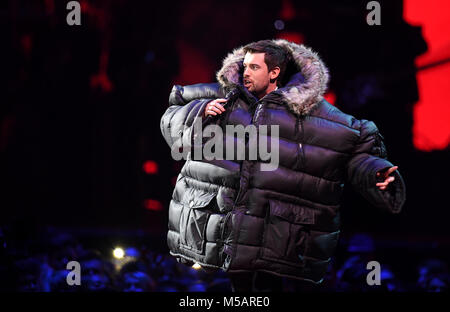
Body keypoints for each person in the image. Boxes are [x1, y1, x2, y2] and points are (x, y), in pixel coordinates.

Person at [160, 39, 406, 292]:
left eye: (254, 67)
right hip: (214, 228)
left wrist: (374, 171)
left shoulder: (315, 114)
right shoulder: (220, 97)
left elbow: (354, 147)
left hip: (275, 236)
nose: (245, 72)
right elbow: (171, 117)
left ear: (275, 72)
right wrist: (199, 112)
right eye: (244, 66)